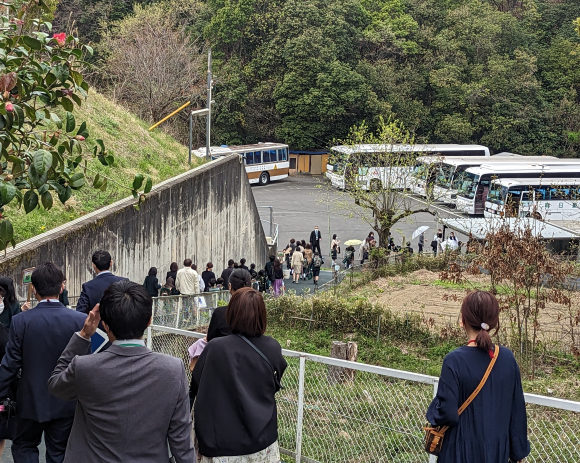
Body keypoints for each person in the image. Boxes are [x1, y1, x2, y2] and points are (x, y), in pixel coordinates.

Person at [48, 281, 195, 463]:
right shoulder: (173, 369)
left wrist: (84, 335)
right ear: (149, 321)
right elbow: (181, 440)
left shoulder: (85, 367)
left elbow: (55, 385)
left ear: (105, 325)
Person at [426, 291, 529, 463]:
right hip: (496, 453)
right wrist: (518, 453)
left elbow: (447, 413)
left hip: (459, 452)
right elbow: (517, 412)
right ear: (494, 322)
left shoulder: (454, 360)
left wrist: (433, 410)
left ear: (463, 321)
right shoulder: (507, 358)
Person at [0, 263, 87, 463]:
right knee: (59, 452)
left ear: (34, 290)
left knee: (24, 447)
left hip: (30, 400)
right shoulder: (80, 321)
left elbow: (11, 364)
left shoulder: (20, 321)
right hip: (67, 401)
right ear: (62, 287)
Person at [190, 287, 287, 461]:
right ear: (261, 315)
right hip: (262, 440)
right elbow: (274, 382)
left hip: (219, 444)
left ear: (232, 314)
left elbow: (195, 385)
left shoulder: (215, 348)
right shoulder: (272, 347)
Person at [206, 269, 252, 343]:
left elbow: (210, 339)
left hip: (224, 353)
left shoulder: (220, 313)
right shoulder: (256, 311)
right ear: (251, 286)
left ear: (230, 286)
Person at [76, 250, 127, 314]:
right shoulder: (124, 282)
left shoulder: (88, 286)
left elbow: (80, 312)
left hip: (96, 323)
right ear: (111, 263)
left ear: (93, 265)